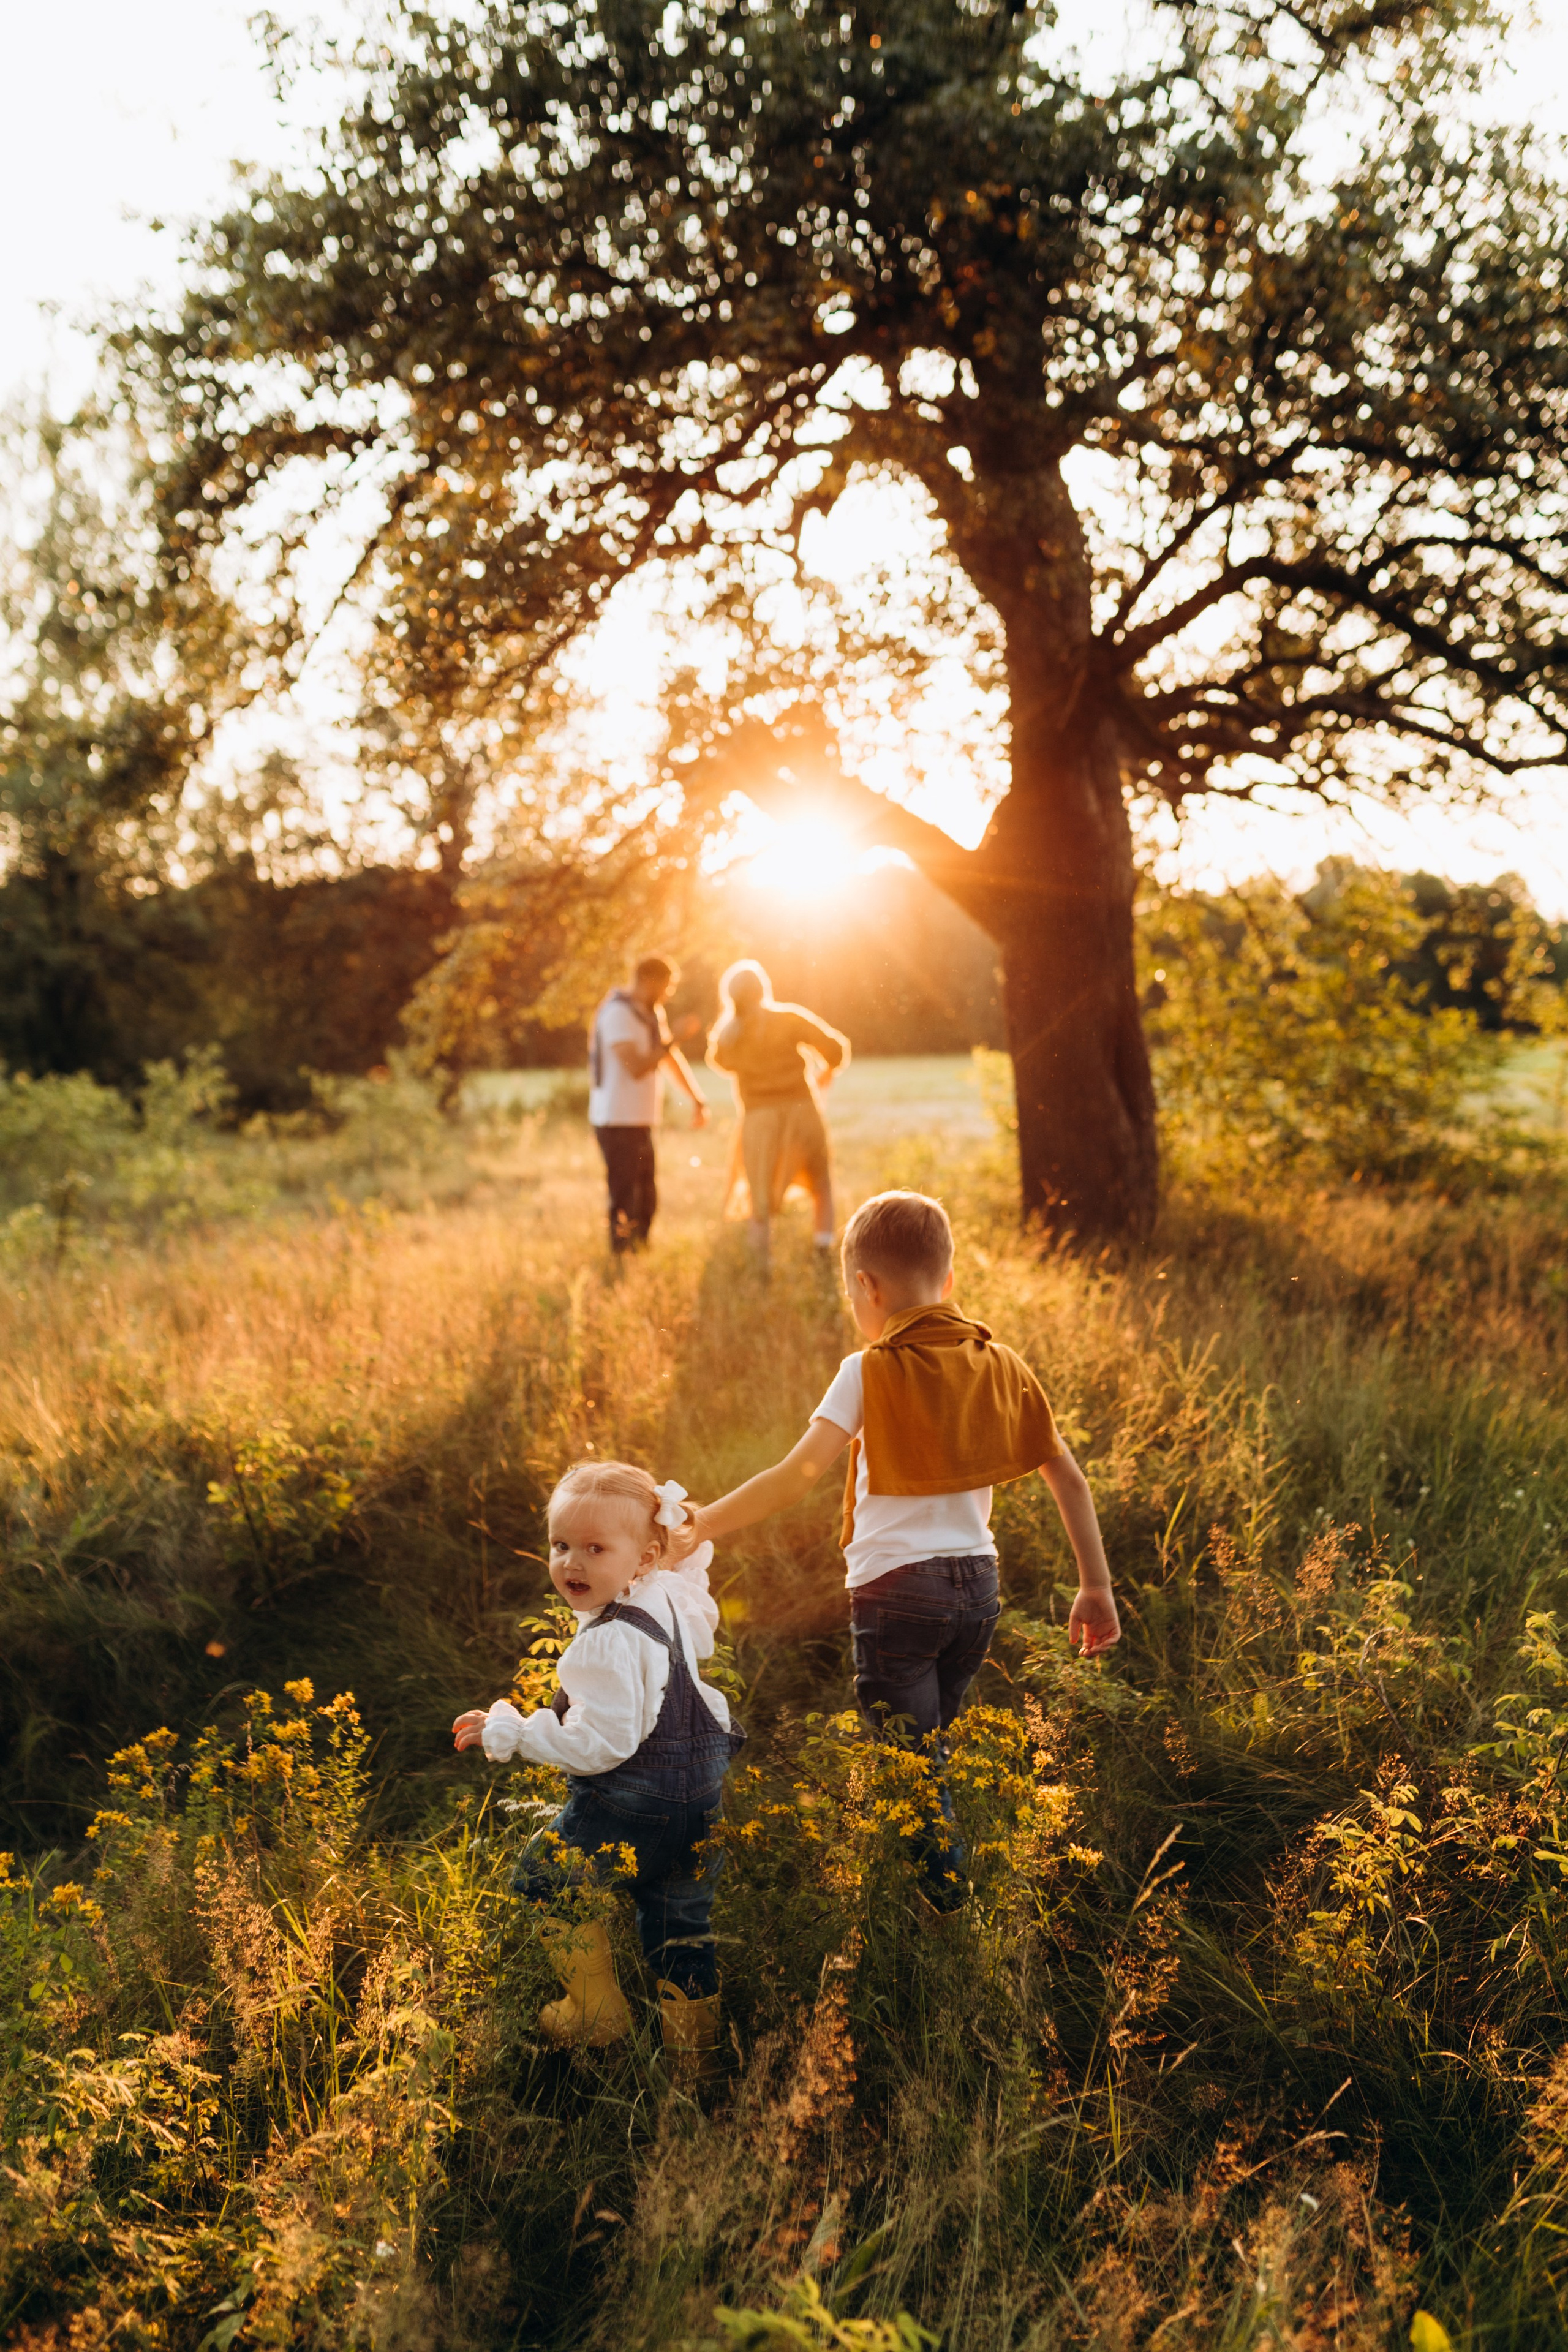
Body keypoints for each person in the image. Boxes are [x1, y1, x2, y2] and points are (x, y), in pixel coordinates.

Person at [680, 1190, 1119, 1913]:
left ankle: (942, 1909)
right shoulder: (1000, 1361)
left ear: (866, 1287)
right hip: (977, 1591)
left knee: (910, 1769)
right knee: (928, 1750)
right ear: (948, 1282)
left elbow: (796, 1475)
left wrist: (703, 1525)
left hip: (897, 1596)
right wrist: (1094, 1586)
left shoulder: (868, 1369)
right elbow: (1066, 1477)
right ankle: (927, 1880)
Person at [453, 1460, 744, 2064]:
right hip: (700, 1799)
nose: (572, 1564)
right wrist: (679, 1553)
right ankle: (696, 2063)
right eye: (560, 1546)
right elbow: (694, 1593)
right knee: (679, 1923)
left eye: (594, 1548)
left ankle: (597, 2014)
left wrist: (513, 1729)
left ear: (642, 1560)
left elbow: (599, 1746)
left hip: (628, 1804)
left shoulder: (608, 1642)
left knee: (546, 1880)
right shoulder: (671, 1600)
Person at [707, 960, 848, 1265]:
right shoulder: (790, 1018)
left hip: (758, 1119)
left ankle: (760, 1267)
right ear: (764, 988)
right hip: (802, 1112)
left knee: (759, 1195)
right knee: (820, 1182)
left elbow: (719, 1062)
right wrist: (823, 1076)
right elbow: (837, 1050)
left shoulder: (729, 1035)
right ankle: (823, 1253)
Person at [588, 955, 709, 1256]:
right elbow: (636, 1066)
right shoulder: (618, 1014)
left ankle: (640, 1255)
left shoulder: (650, 1014)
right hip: (616, 1120)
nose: (668, 994)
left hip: (640, 1119)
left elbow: (667, 1058)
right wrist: (675, 1039)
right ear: (648, 980)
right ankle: (620, 1257)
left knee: (647, 1196)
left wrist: (696, 1098)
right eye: (667, 986)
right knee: (624, 1195)